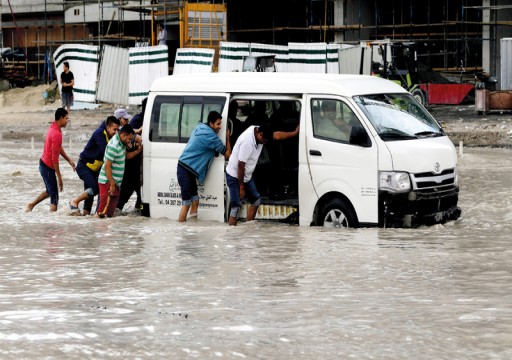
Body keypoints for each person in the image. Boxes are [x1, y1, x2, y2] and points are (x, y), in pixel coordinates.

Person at [225, 123, 299, 226]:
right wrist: (241, 187)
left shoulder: (259, 130)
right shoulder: (247, 142)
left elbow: (277, 135)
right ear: (260, 135)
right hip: (235, 175)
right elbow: (240, 165)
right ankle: (232, 237)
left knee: (256, 201)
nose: (265, 143)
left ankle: (247, 230)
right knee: (235, 207)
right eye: (265, 140)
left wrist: (295, 133)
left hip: (247, 175)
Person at [177, 110, 231, 222]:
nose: (220, 126)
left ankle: (191, 228)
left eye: (221, 123)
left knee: (195, 201)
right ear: (211, 124)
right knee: (186, 203)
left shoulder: (200, 127)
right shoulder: (211, 137)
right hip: (185, 170)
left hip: (187, 169)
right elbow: (227, 154)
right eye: (218, 124)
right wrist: (227, 137)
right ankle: (181, 232)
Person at [25, 108, 76, 212]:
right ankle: (52, 225)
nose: (67, 121)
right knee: (54, 198)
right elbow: (54, 159)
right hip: (47, 167)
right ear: (61, 118)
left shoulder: (53, 126)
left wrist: (68, 160)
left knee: (50, 191)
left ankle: (31, 205)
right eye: (66, 119)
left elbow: (58, 147)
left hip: (43, 164)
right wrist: (59, 178)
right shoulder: (56, 134)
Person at [69, 116, 121, 215]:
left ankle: (85, 217)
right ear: (108, 127)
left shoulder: (109, 134)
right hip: (84, 166)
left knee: (89, 196)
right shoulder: (99, 134)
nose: (116, 132)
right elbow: (106, 152)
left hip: (93, 168)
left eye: (118, 130)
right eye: (114, 129)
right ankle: (74, 202)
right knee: (95, 188)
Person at [95, 124, 142, 218]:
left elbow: (125, 156)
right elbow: (107, 167)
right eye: (128, 139)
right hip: (107, 182)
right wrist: (112, 184)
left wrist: (137, 151)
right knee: (101, 212)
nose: (129, 141)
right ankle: (96, 229)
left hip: (116, 183)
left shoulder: (121, 144)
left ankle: (105, 232)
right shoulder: (114, 146)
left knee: (110, 214)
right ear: (123, 135)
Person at [117, 98, 147, 211]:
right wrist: (136, 136)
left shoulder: (148, 119)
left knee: (141, 196)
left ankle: (137, 214)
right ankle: (115, 211)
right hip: (130, 166)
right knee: (124, 194)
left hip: (138, 165)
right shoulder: (137, 119)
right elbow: (127, 134)